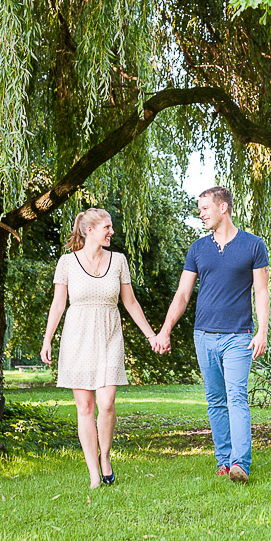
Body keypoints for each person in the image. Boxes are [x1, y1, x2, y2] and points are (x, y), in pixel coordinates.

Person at [155, 186, 269, 484]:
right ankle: (223, 461)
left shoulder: (253, 245)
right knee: (216, 400)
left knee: (237, 396)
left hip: (238, 336)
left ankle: (240, 463)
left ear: (223, 208)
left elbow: (261, 290)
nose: (201, 214)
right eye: (199, 209)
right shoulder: (198, 248)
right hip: (203, 335)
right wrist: (166, 329)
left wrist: (262, 330)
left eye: (205, 208)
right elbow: (182, 294)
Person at [41, 208, 158, 489]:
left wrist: (151, 335)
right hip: (77, 337)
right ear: (89, 231)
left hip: (109, 336)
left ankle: (105, 457)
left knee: (106, 403)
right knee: (85, 407)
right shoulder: (67, 263)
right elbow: (58, 304)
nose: (111, 232)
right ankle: (94, 473)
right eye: (107, 227)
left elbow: (130, 303)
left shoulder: (118, 261)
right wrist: (47, 339)